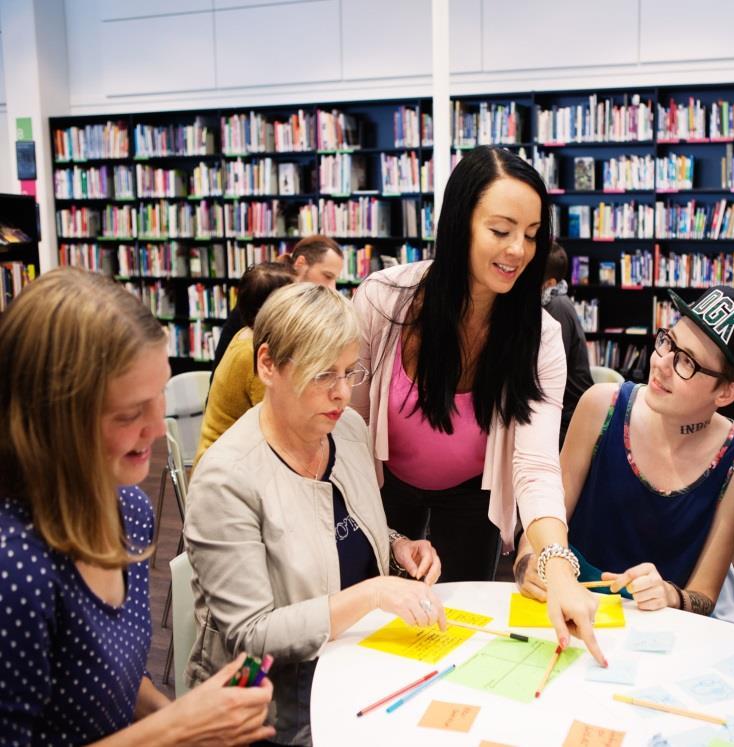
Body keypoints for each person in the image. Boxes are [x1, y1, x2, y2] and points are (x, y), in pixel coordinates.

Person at [351, 145, 606, 664]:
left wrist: (557, 567)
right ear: (460, 224)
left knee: (455, 628)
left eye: (532, 236)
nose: (518, 250)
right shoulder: (382, 300)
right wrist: (388, 532)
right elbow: (348, 432)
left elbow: (535, 465)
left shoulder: (539, 337)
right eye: (501, 230)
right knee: (376, 627)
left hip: (473, 495)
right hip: (379, 486)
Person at [0, 268, 274, 745]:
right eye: (129, 413)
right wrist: (178, 727)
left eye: (160, 394)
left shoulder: (130, 509)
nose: (156, 426)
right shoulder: (15, 570)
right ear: (51, 420)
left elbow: (114, 687)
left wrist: (190, 719)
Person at [184, 282, 445, 745]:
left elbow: (338, 524)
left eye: (350, 372)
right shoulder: (226, 479)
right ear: (268, 365)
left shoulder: (346, 431)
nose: (343, 393)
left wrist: (398, 545)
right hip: (272, 708)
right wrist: (374, 593)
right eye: (323, 374)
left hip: (356, 658)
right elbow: (251, 634)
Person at [516, 286, 734, 620]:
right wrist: (526, 564)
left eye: (687, 362)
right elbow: (542, 519)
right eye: (667, 342)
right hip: (571, 610)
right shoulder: (601, 405)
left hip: (656, 633)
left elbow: (704, 596)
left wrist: (671, 595)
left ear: (726, 392)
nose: (661, 363)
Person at [195, 260, 295, 466]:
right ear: (273, 310)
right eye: (295, 301)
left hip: (241, 455)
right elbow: (279, 424)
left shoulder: (248, 334)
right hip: (225, 467)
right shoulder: (257, 355)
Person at [211, 236, 345, 373]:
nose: (333, 288)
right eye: (328, 276)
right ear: (300, 263)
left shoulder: (300, 302)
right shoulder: (273, 296)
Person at [542, 242, 594, 446]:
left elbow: (550, 366)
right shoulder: (554, 301)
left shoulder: (556, 307)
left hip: (571, 414)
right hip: (565, 408)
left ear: (550, 282)